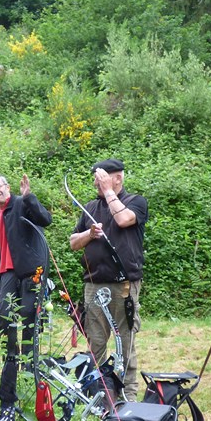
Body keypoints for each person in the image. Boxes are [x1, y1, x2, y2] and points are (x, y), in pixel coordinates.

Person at [69, 158, 148, 402]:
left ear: (117, 178)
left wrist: (109, 192)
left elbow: (124, 220)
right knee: (96, 340)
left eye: (101, 178)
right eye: (96, 179)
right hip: (93, 284)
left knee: (125, 340)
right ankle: (101, 394)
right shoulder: (90, 207)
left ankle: (128, 395)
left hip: (124, 284)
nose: (96, 183)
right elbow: (73, 242)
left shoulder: (135, 202)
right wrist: (89, 233)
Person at [0, 173, 53, 421]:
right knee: (6, 321)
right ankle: (11, 364)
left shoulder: (21, 204)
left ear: (7, 187)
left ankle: (30, 367)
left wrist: (29, 197)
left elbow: (45, 220)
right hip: (7, 274)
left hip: (30, 271)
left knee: (29, 319)